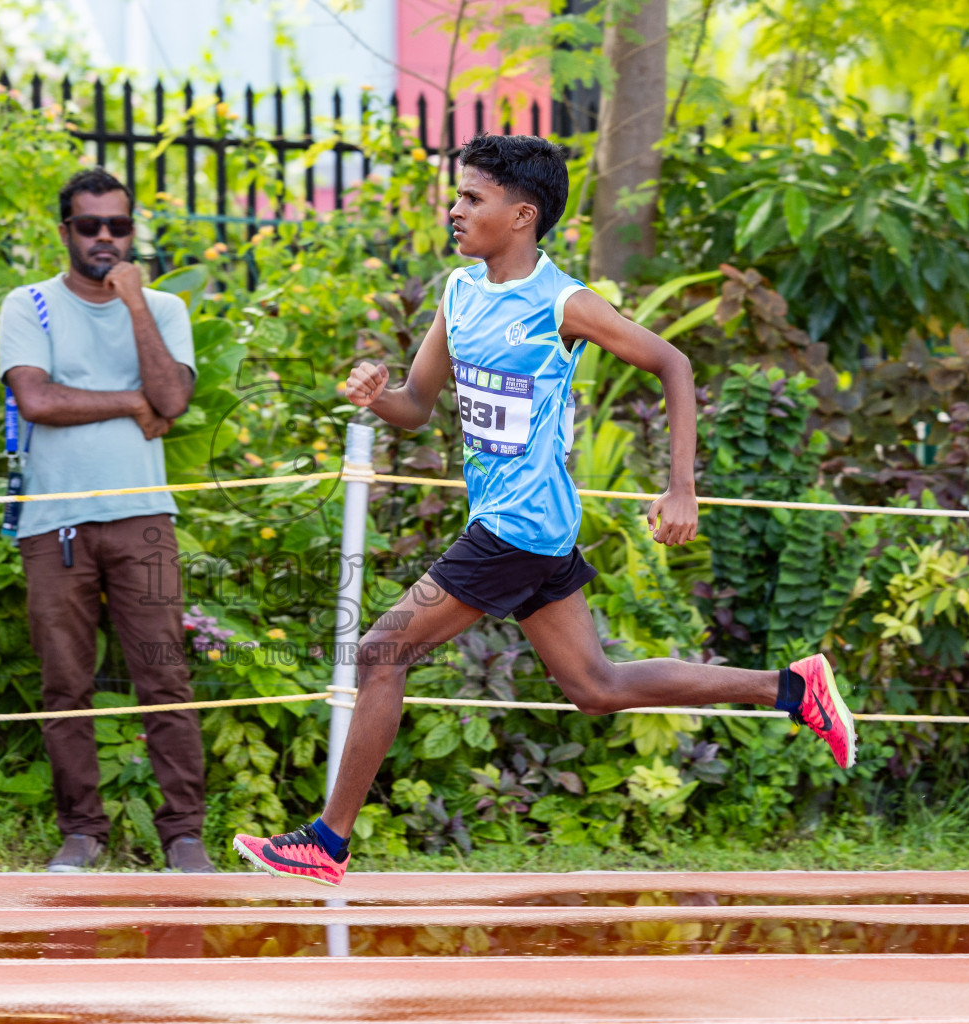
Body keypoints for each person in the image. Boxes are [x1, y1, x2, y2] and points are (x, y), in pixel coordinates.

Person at [233, 133, 857, 887]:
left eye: (472, 198)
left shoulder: (562, 302)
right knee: (596, 688)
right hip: (521, 524)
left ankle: (327, 843)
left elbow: (674, 362)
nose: (455, 210)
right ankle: (791, 688)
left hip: (517, 527)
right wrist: (379, 395)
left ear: (521, 214)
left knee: (381, 651)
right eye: (458, 196)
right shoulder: (459, 294)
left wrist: (681, 486)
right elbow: (418, 407)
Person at [0, 168, 215, 873]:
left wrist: (136, 306)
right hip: (51, 524)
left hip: (143, 519)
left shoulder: (162, 310)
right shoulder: (26, 304)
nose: (104, 239)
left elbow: (173, 399)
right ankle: (82, 831)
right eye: (88, 226)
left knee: (164, 675)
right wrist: (127, 404)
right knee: (66, 682)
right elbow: (36, 398)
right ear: (65, 230)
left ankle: (183, 833)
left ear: (131, 230)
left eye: (117, 227)